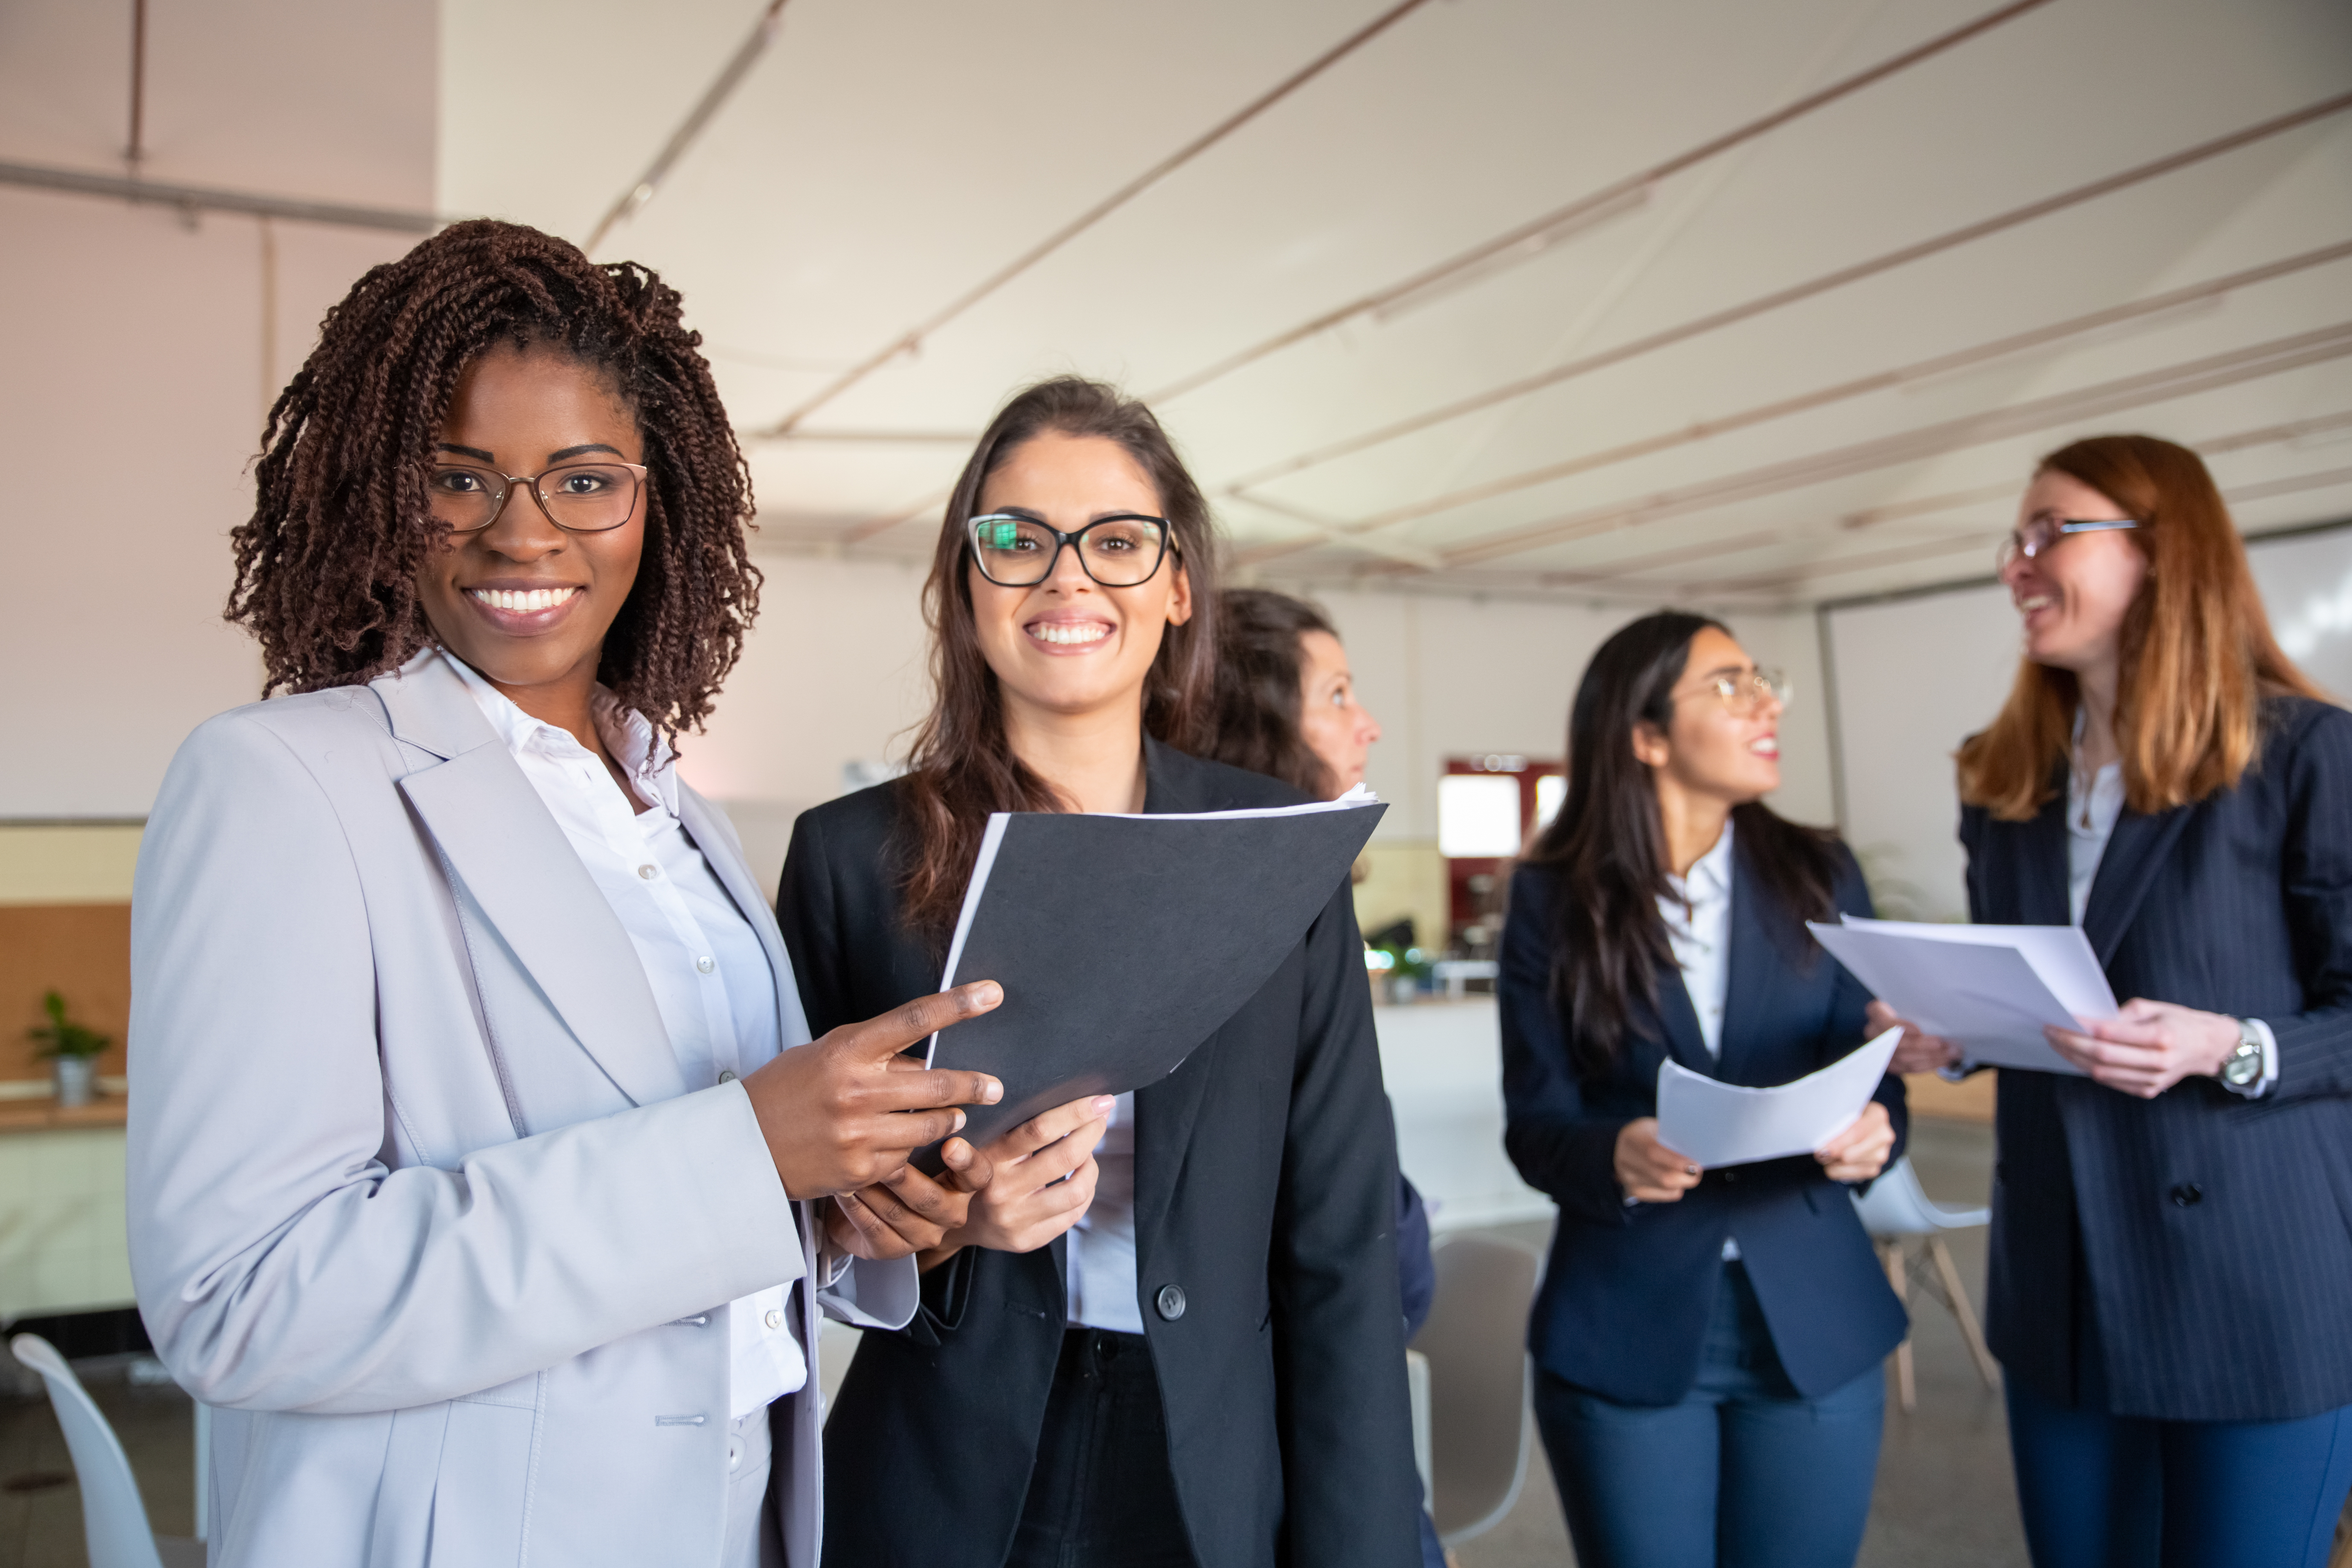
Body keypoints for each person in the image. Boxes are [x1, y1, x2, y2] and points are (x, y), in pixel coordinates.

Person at [125, 220, 1005, 1568]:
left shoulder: (676, 807)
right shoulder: (282, 782)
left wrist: (833, 1211)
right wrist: (748, 1152)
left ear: (657, 503)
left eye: (584, 479)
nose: (521, 531)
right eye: (458, 478)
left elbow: (712, 1209)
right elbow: (240, 1299)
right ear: (380, 491)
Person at [779, 378, 1423, 1568]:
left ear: (1178, 588)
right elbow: (796, 1218)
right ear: (965, 578)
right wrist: (941, 1230)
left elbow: (1341, 1235)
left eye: (1118, 543)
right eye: (1017, 540)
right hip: (944, 1455)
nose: (1067, 577)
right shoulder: (849, 857)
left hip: (1214, 1452)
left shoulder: (1279, 846)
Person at [1874, 435, 2352, 1566]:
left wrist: (2231, 1045)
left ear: (2162, 552)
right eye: (2015, 539)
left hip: (2251, 1285)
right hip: (2061, 1279)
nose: (2017, 565)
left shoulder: (2305, 752)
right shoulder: (2004, 776)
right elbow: (2040, 998)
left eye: (2051, 533)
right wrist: (1948, 1033)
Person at [1500, 611, 1906, 1568]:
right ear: (1644, 735)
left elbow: (1874, 1077)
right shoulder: (1553, 898)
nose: (1765, 701)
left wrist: (1876, 1132)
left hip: (1815, 1320)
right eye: (1728, 685)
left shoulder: (1822, 870)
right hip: (1626, 1320)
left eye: (1761, 680)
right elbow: (1537, 1126)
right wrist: (1613, 1152)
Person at [1205, 587, 1441, 1568]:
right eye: (1337, 693)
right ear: (1258, 721)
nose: (1369, 722)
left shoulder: (1302, 907)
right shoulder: (1244, 929)